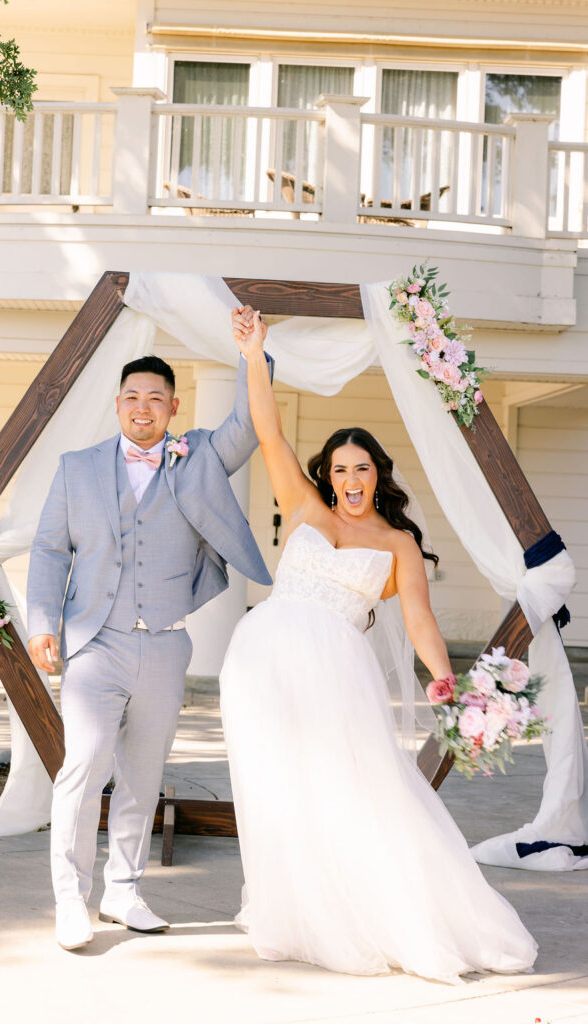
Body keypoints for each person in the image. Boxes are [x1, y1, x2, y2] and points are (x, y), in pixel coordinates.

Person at [220, 307, 538, 984]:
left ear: (377, 473)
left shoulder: (397, 545)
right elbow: (269, 433)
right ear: (327, 475)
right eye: (339, 468)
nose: (349, 478)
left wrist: (438, 677)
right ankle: (289, 912)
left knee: (355, 790)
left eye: (360, 467)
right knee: (276, 789)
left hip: (336, 670)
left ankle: (382, 912)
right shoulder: (304, 508)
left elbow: (419, 619)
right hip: (260, 664)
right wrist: (253, 356)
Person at [27, 353, 272, 951]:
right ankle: (70, 899)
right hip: (95, 641)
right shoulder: (77, 468)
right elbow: (50, 549)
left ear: (173, 407)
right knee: (83, 765)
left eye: (156, 398)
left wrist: (251, 354)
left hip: (164, 642)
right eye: (133, 397)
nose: (143, 407)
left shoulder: (200, 459)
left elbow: (248, 420)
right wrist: (41, 622)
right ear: (118, 404)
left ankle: (124, 890)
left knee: (143, 774)